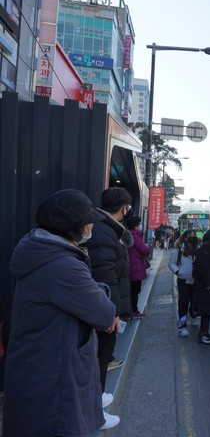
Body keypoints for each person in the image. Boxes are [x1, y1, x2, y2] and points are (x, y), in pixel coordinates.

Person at [3, 189, 118, 436]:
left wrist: (94, 289)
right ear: (71, 228)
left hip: (40, 362)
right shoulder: (64, 266)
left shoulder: (40, 250)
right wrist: (101, 290)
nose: (90, 228)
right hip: (54, 370)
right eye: (88, 223)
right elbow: (105, 314)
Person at [85, 187, 133, 428]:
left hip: (105, 307)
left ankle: (98, 396)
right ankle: (95, 413)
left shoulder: (103, 229)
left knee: (100, 359)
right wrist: (112, 312)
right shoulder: (105, 232)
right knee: (100, 358)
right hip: (105, 311)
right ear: (123, 208)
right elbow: (106, 277)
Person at [170, 233, 199, 337]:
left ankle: (194, 317)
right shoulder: (178, 250)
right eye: (190, 235)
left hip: (196, 280)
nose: (193, 237)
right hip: (183, 280)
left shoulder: (199, 248)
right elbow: (171, 263)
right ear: (185, 237)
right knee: (183, 302)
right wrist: (178, 272)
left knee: (195, 300)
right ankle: (182, 326)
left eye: (194, 235)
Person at [125, 214, 151, 319]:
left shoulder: (127, 234)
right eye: (139, 224)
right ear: (136, 226)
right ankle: (134, 311)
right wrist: (147, 247)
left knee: (132, 290)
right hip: (135, 267)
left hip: (130, 266)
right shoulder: (135, 235)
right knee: (135, 291)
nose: (140, 226)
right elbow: (144, 250)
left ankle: (131, 310)